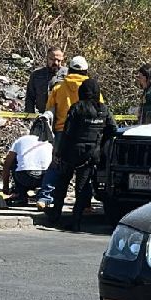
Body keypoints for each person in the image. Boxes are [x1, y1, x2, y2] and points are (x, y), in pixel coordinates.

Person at [48, 78, 117, 230]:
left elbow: (67, 132)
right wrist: (99, 142)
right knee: (82, 187)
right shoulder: (103, 110)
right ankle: (76, 221)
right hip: (91, 153)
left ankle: (55, 215)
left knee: (62, 183)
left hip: (71, 152)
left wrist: (59, 152)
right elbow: (113, 129)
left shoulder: (77, 107)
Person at [39, 56, 100, 209]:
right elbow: (100, 109)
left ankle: (45, 198)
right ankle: (85, 205)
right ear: (86, 70)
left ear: (69, 69)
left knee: (57, 165)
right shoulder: (92, 88)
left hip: (62, 132)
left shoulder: (58, 88)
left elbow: (49, 109)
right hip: (87, 134)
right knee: (85, 170)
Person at [2, 114, 54, 206]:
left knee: (14, 161)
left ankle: (21, 195)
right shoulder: (49, 143)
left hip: (24, 177)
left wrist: (5, 187)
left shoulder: (21, 140)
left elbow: (7, 164)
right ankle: (44, 196)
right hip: (44, 178)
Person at [25, 47, 64, 114]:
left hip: (62, 116)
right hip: (43, 114)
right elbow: (30, 97)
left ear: (62, 59)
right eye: (52, 59)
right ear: (47, 58)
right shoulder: (37, 75)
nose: (55, 63)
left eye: (58, 60)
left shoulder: (68, 75)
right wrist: (29, 115)